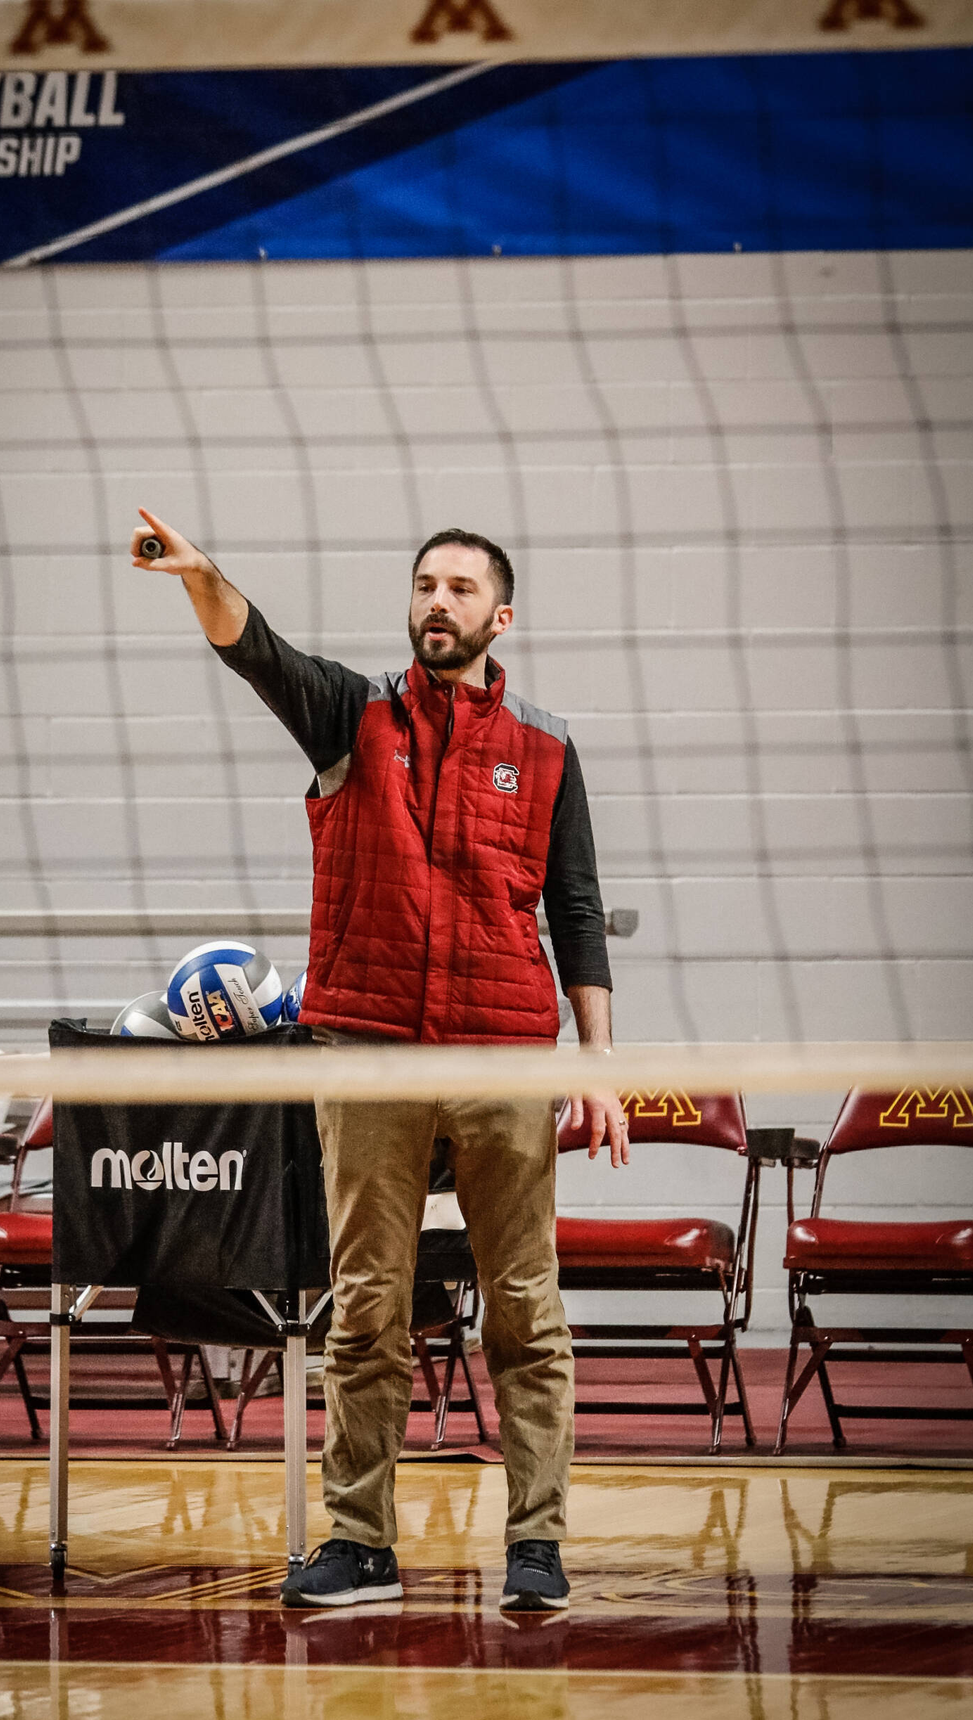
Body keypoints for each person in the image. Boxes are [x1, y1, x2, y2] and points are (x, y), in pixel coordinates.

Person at [131, 508, 629, 1612]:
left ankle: (535, 1545)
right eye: (424, 586)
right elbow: (251, 647)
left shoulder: (546, 748)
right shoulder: (351, 717)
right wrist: (201, 575)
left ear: (501, 616)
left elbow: (578, 909)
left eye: (460, 589)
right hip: (368, 1056)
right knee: (365, 1306)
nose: (437, 602)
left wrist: (597, 1064)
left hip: (506, 1058)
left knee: (525, 1312)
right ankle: (360, 1544)